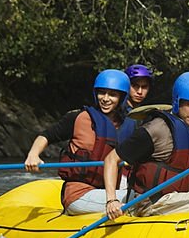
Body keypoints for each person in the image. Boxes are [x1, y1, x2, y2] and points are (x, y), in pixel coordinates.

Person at [103, 71, 189, 219]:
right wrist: (111, 200)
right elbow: (111, 160)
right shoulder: (156, 129)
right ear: (178, 102)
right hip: (152, 204)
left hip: (178, 201)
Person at [24, 68, 131, 215]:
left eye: (112, 94)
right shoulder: (78, 118)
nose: (105, 99)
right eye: (102, 93)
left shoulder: (127, 126)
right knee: (140, 199)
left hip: (108, 192)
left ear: (122, 98)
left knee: (144, 194)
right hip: (78, 195)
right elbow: (47, 135)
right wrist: (33, 154)